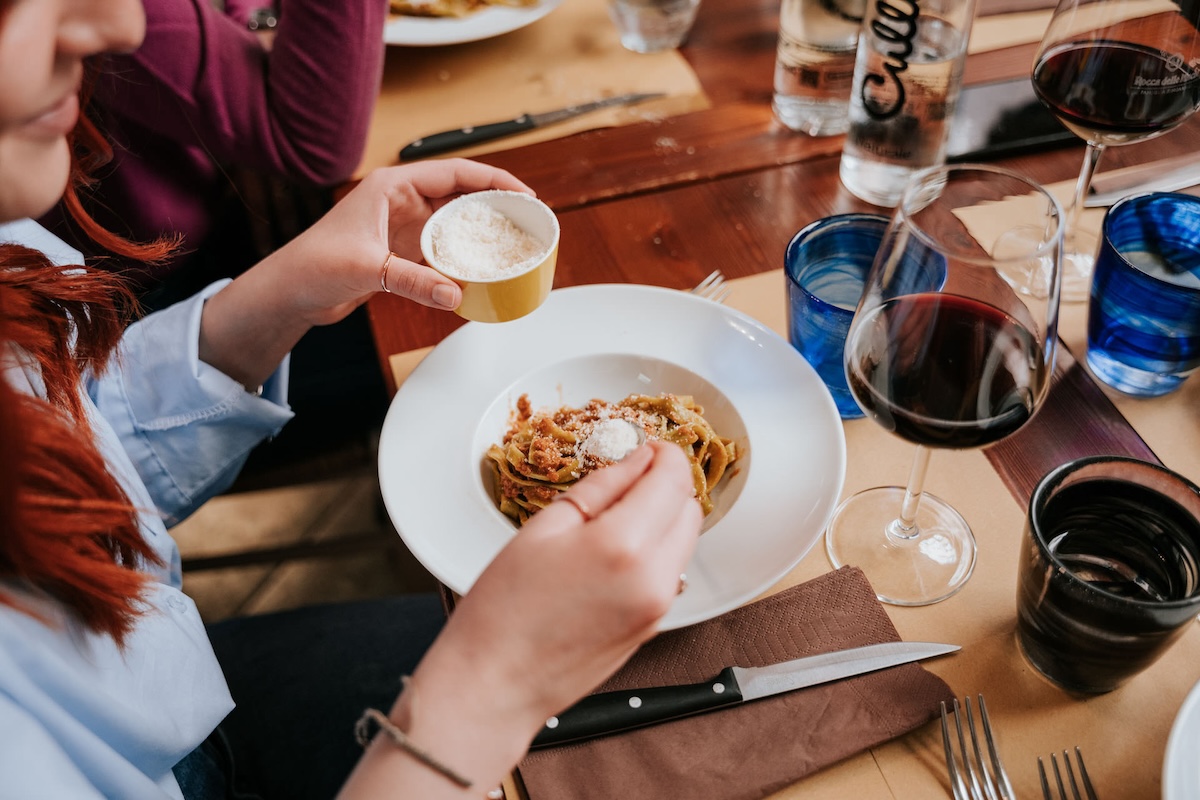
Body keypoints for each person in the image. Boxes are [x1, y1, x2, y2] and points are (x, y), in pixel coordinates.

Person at [0, 1, 703, 798]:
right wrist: (488, 686)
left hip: (169, 676)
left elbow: (78, 451)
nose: (123, 25)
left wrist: (283, 293)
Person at [40, 0, 396, 477]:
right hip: (131, 309)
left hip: (185, 262)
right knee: (426, 348)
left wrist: (246, 18)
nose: (123, 28)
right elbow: (315, 144)